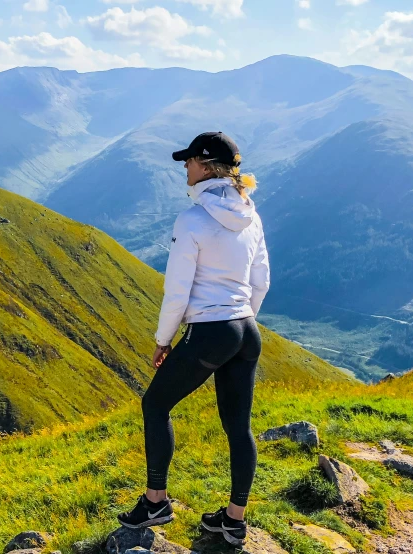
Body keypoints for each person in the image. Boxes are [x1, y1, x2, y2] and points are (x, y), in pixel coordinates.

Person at [117, 132, 271, 546]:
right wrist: (240, 325)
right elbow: (261, 281)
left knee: (155, 404)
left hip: (210, 330)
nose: (184, 167)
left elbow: (178, 290)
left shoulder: (193, 220)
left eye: (189, 161)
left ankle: (155, 503)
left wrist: (164, 339)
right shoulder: (252, 216)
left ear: (205, 166)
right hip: (247, 329)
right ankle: (234, 521)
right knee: (239, 427)